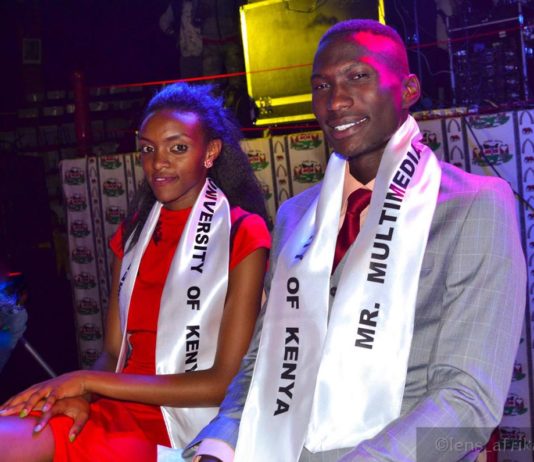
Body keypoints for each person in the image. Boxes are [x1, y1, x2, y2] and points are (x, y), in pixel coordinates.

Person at [186, 19, 526, 461]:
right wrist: (217, 445)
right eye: (322, 85)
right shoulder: (296, 216)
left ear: (407, 90)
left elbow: (469, 400)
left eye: (357, 76)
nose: (336, 101)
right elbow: (261, 364)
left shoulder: (476, 207)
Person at [0, 82, 271, 461]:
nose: (158, 162)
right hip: (116, 405)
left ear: (210, 151)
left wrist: (86, 381)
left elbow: (221, 383)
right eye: (148, 149)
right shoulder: (132, 236)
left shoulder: (242, 232)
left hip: (184, 422)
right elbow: (113, 352)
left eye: (178, 148)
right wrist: (85, 397)